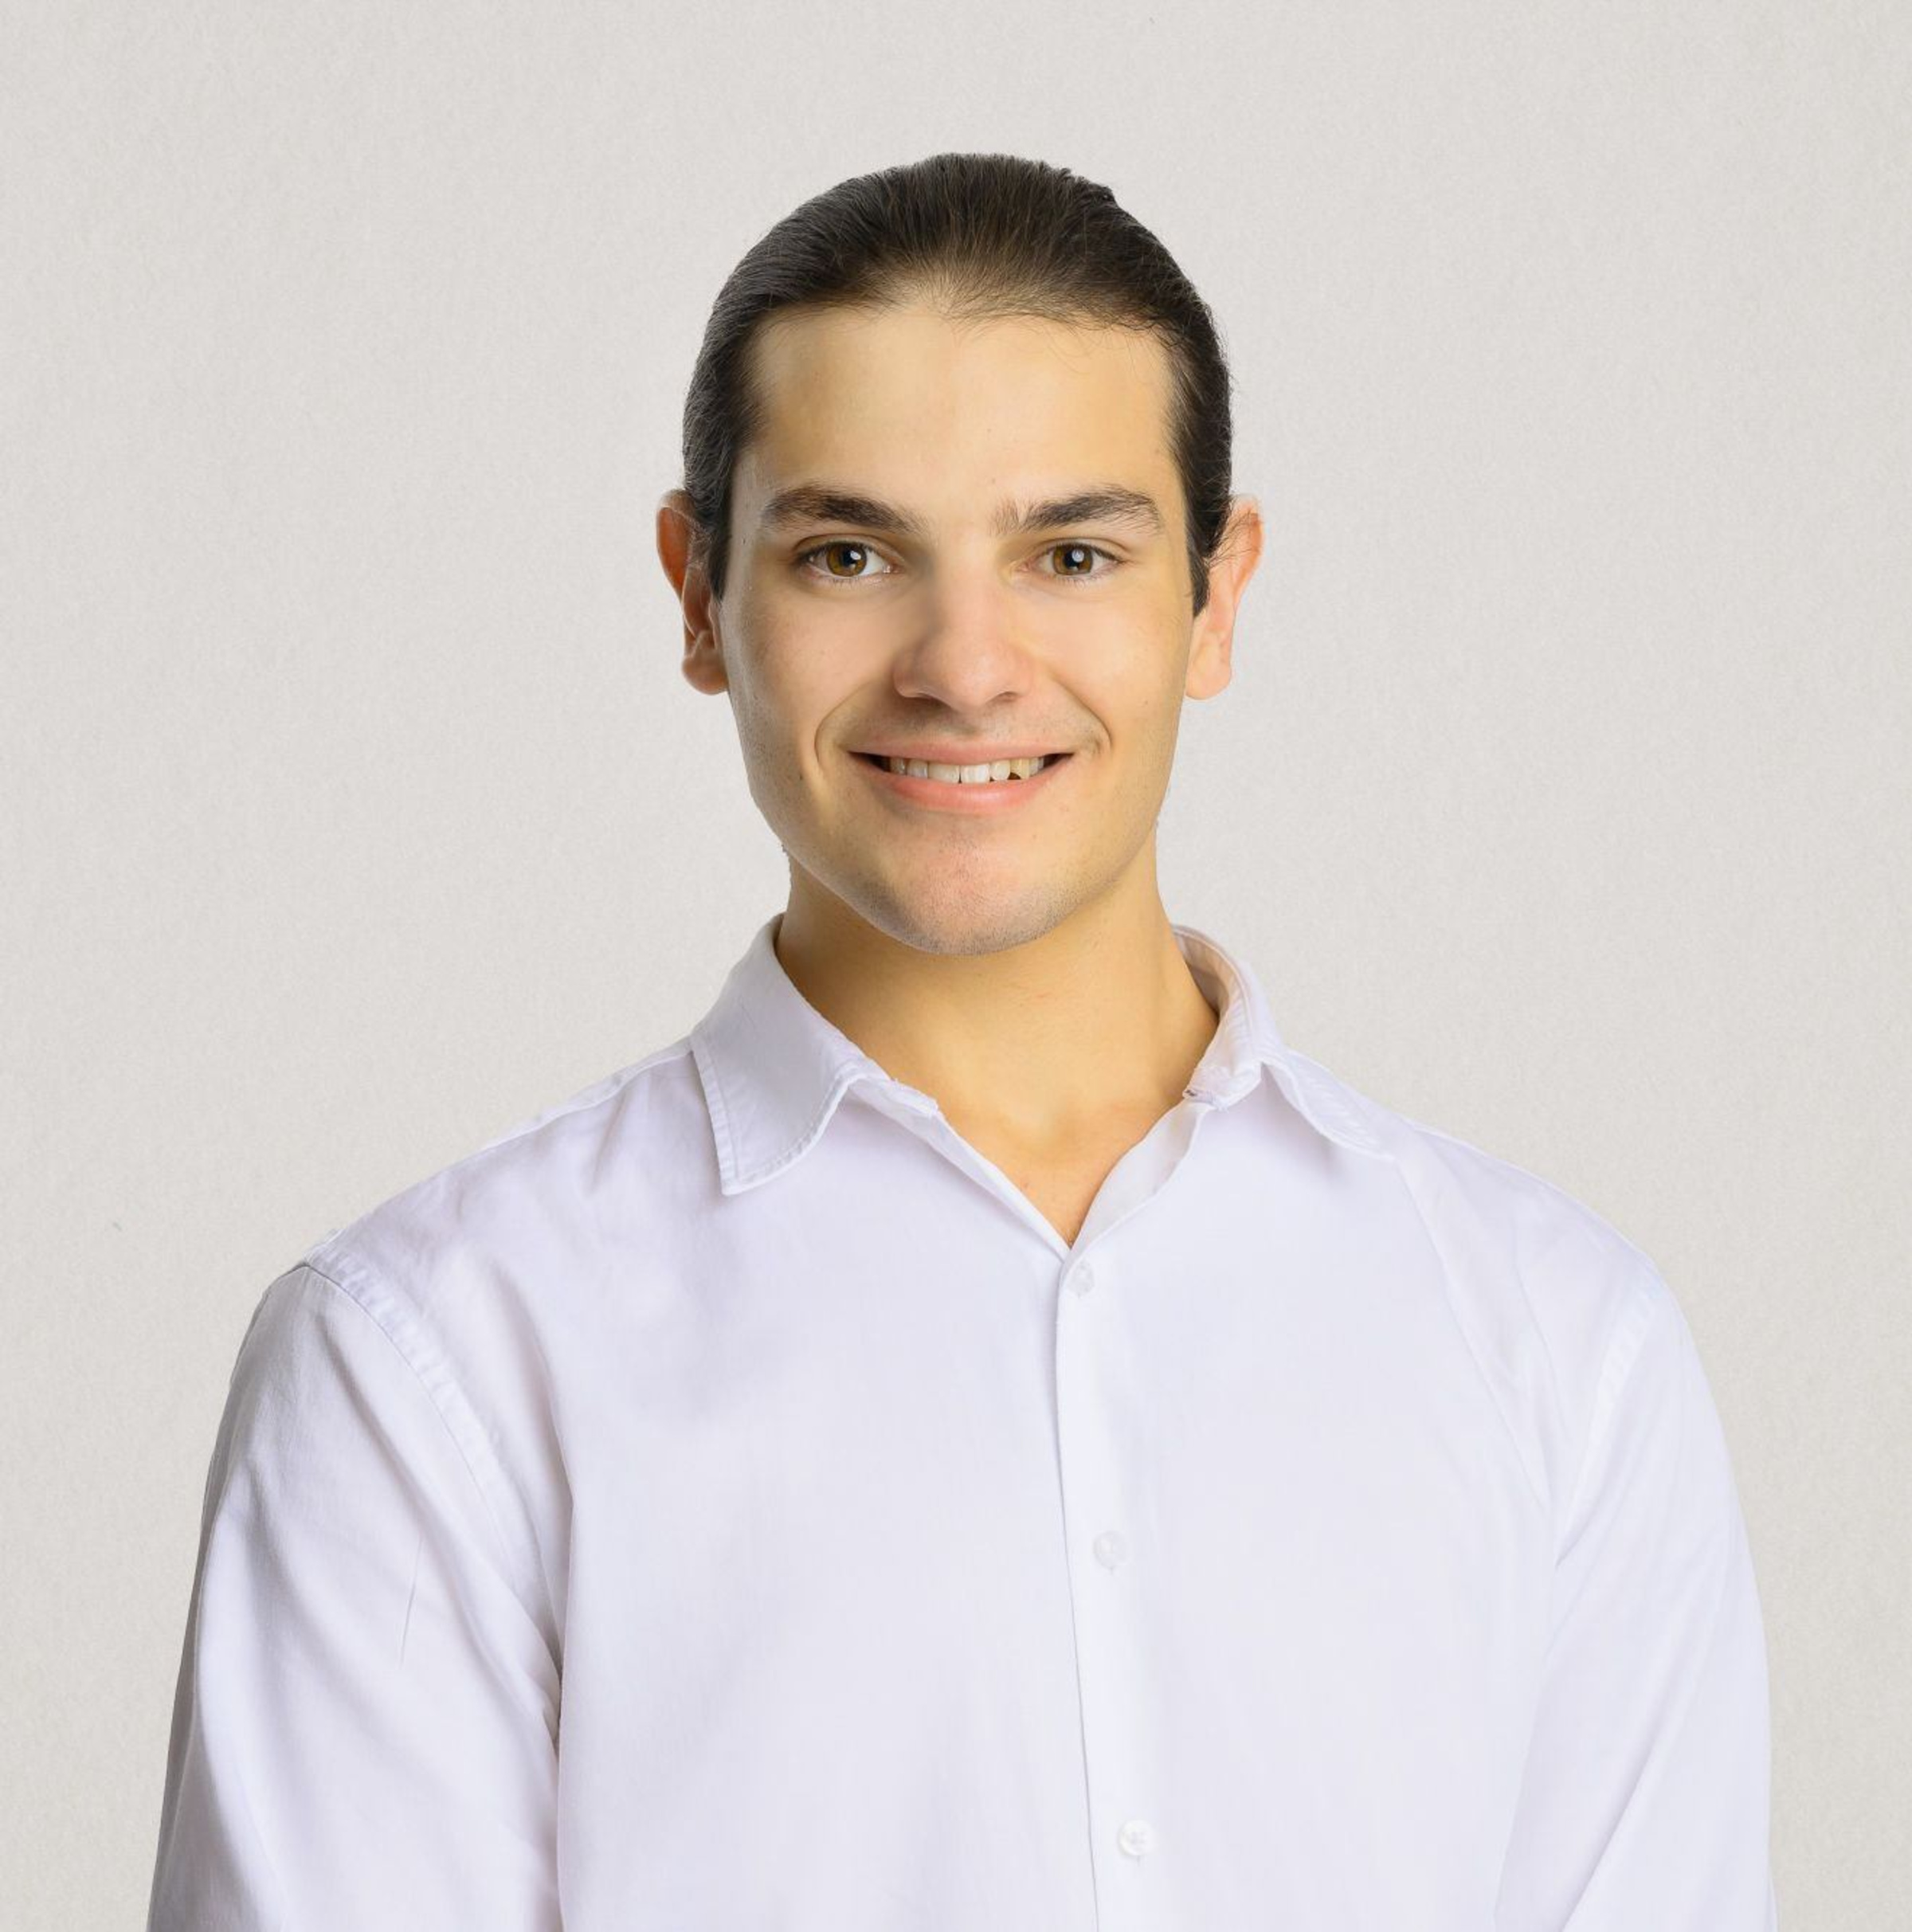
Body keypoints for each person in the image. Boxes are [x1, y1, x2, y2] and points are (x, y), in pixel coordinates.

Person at [146, 151, 1778, 1929]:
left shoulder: (1561, 1348)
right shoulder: (432, 1363)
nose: (968, 665)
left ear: (1216, 597)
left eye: (1070, 552)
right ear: (699, 593)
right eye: (852, 552)